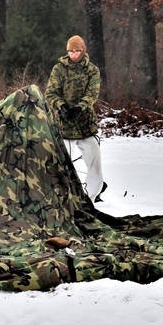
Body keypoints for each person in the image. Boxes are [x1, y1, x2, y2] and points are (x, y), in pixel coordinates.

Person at [46, 35, 107, 203]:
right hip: (63, 125)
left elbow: (92, 93)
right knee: (58, 164)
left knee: (94, 163)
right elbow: (50, 93)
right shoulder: (59, 69)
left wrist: (80, 107)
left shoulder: (92, 70)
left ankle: (92, 197)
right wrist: (62, 106)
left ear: (83, 51)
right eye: (71, 51)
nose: (73, 54)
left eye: (77, 51)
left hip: (85, 125)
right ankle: (59, 199)